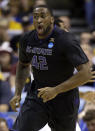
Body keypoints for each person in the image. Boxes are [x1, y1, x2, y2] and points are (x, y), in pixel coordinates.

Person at [10, 5, 93, 131]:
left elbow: (86, 73)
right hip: (38, 95)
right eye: (35, 17)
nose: (38, 20)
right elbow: (23, 65)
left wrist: (55, 90)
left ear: (52, 19)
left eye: (43, 16)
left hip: (64, 98)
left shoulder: (66, 40)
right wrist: (17, 92)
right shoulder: (27, 39)